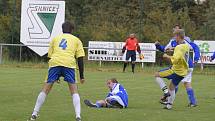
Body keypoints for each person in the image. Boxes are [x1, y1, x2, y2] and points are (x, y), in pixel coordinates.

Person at [28, 21, 85, 121]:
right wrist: (82, 76)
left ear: (62, 29)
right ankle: (78, 116)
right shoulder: (77, 40)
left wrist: (57, 75)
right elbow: (80, 59)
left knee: (45, 90)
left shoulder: (55, 39)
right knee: (74, 91)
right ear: (72, 30)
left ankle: (34, 114)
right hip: (69, 64)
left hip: (55, 63)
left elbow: (49, 57)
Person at [155, 25, 200, 107]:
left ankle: (167, 96)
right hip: (186, 66)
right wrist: (159, 46)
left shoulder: (186, 41)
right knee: (182, 84)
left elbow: (195, 48)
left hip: (182, 66)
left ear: (178, 35)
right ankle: (191, 102)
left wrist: (196, 58)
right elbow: (165, 49)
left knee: (175, 83)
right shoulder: (179, 43)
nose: (174, 34)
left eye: (175, 31)